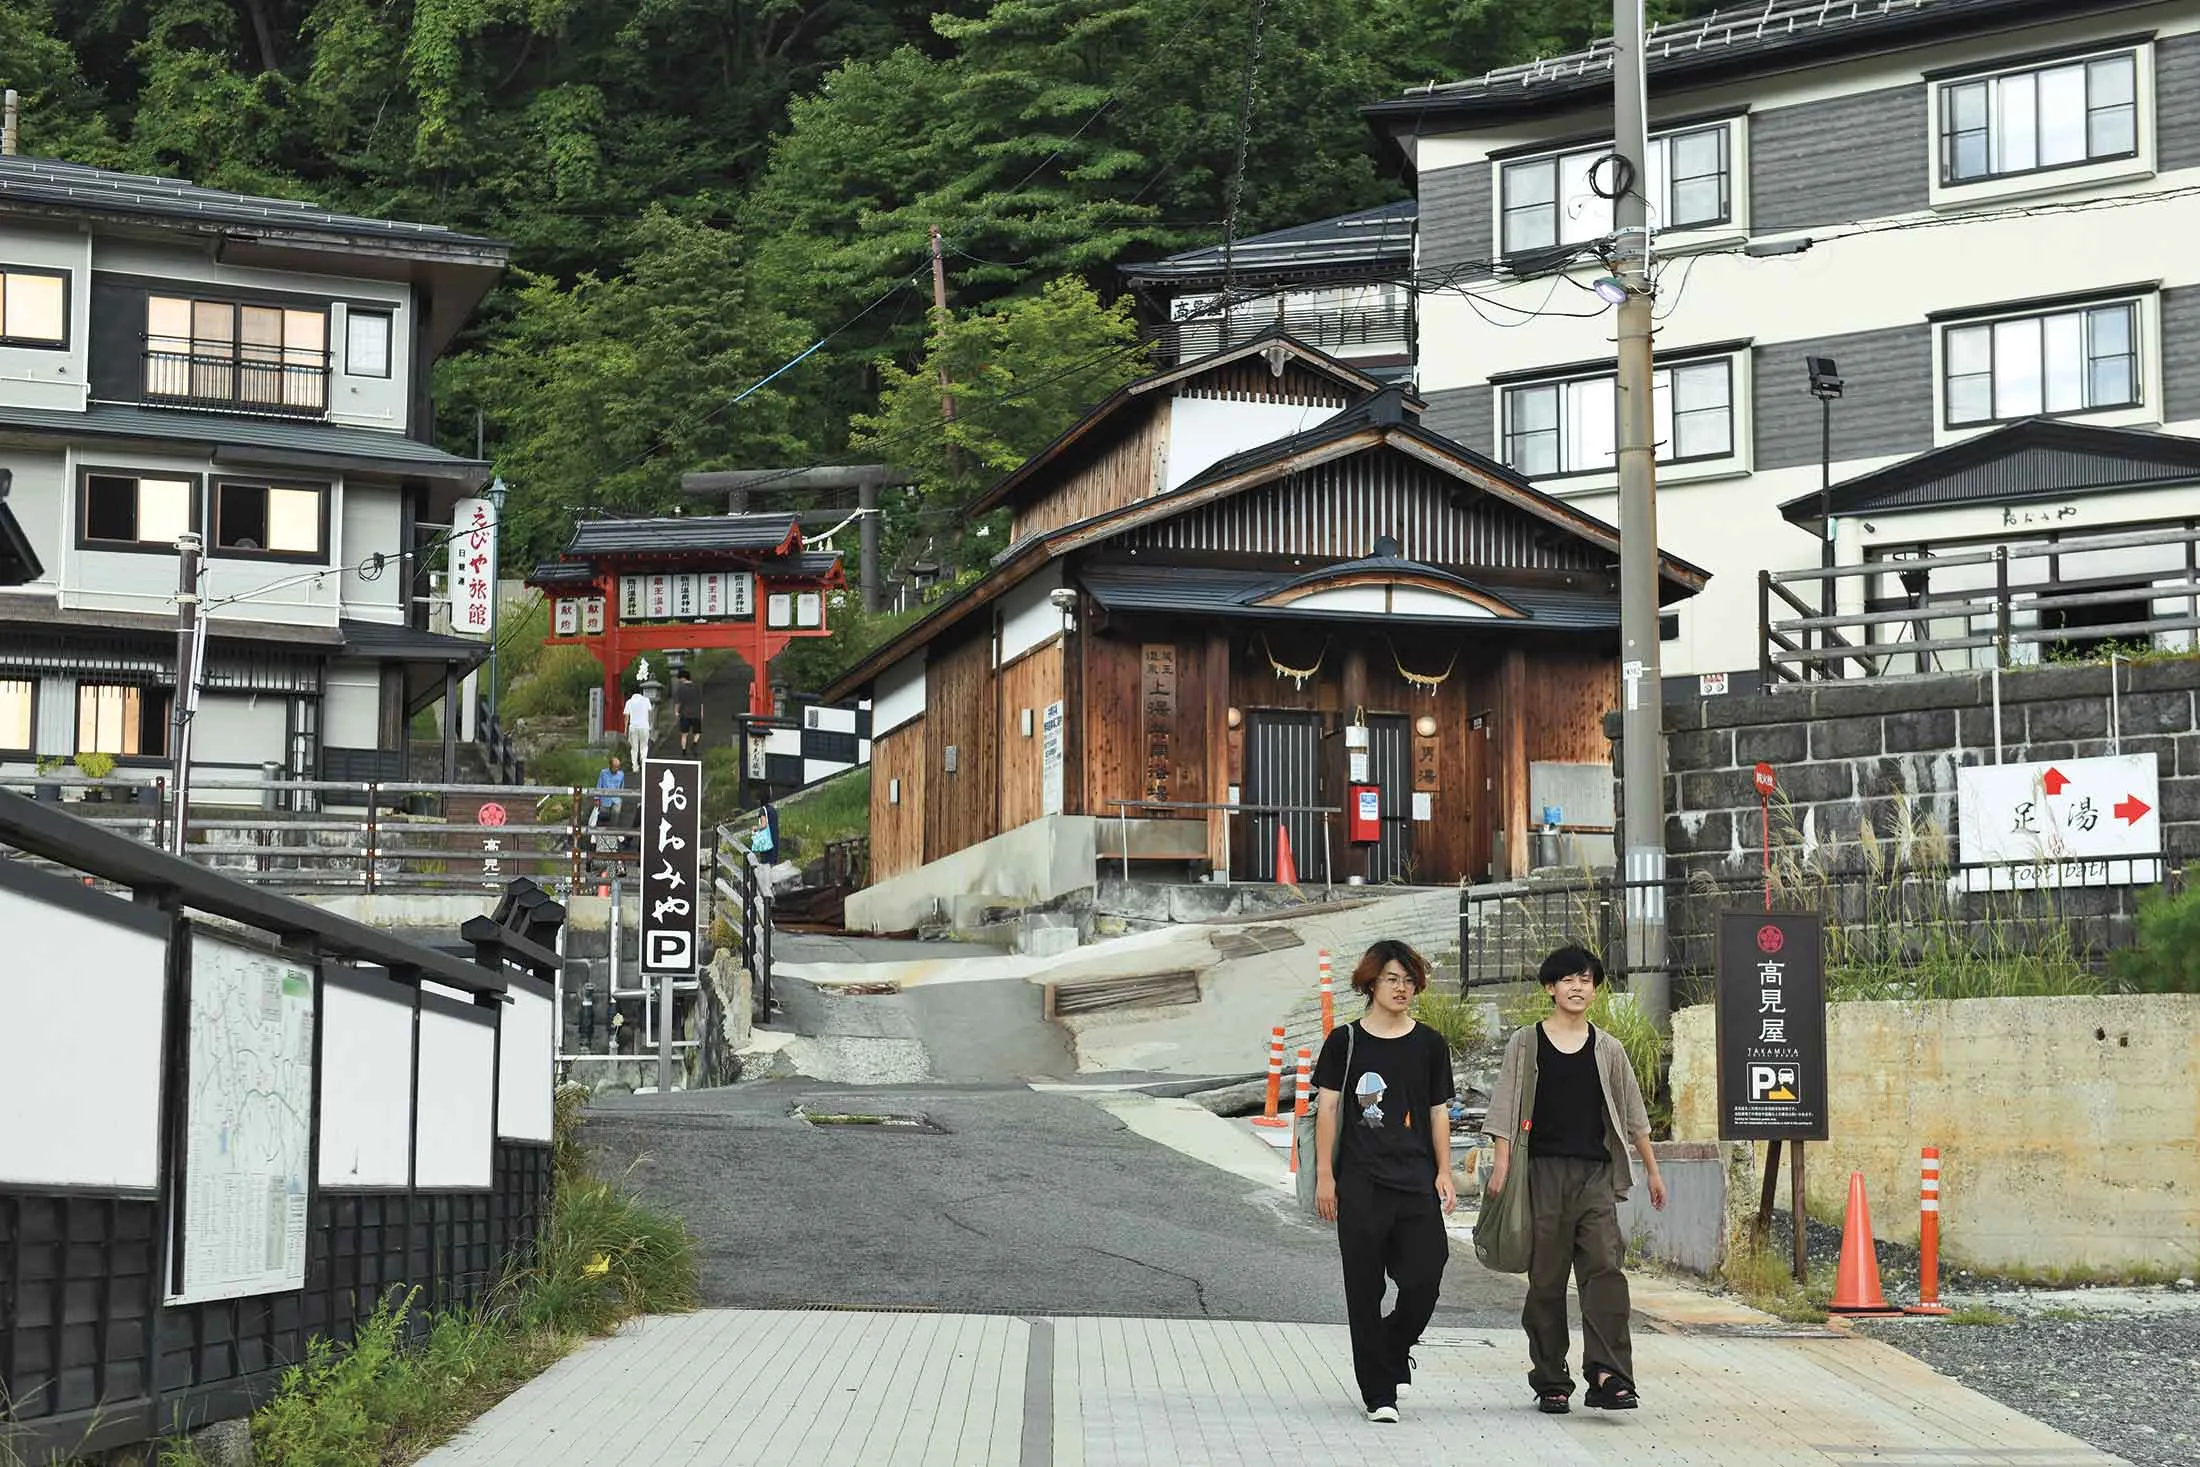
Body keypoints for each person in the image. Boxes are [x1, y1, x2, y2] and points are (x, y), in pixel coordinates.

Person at [1485, 945, 1668, 1417]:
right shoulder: (1526, 1044)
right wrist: (1502, 1166)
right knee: (1546, 1278)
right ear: (1550, 988)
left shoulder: (1608, 1049)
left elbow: (1633, 1116)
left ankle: (1609, 1375)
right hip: (1542, 1173)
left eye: (1586, 979)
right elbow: (1504, 1107)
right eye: (1568, 979)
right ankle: (1551, 1379)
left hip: (1595, 1176)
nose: (1578, 987)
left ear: (1595, 988)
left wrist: (1652, 1170)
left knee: (1605, 1269)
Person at [1312, 940, 1457, 1425]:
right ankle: (1379, 1392)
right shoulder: (1345, 1041)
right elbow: (1328, 1110)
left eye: (1409, 980)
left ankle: (1391, 1350)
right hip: (1360, 1183)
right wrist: (1326, 1178)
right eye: (1392, 978)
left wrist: (1444, 1170)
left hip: (1415, 1180)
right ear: (1371, 982)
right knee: (1364, 1288)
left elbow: (1438, 1112)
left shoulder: (1430, 1044)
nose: (1402, 988)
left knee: (1425, 1276)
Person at [673, 667, 703, 754]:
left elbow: (678, 702)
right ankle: (694, 743)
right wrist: (701, 712)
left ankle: (684, 751)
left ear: (682, 678)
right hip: (696, 713)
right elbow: (700, 701)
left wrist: (676, 712)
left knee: (684, 734)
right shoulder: (696, 687)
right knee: (697, 732)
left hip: (684, 714)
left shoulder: (680, 688)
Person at [622, 685, 652, 767]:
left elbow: (626, 716)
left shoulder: (629, 702)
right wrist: (650, 725)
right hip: (644, 726)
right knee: (644, 746)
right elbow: (650, 713)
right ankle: (643, 759)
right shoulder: (646, 700)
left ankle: (635, 766)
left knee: (634, 748)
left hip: (633, 727)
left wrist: (625, 729)